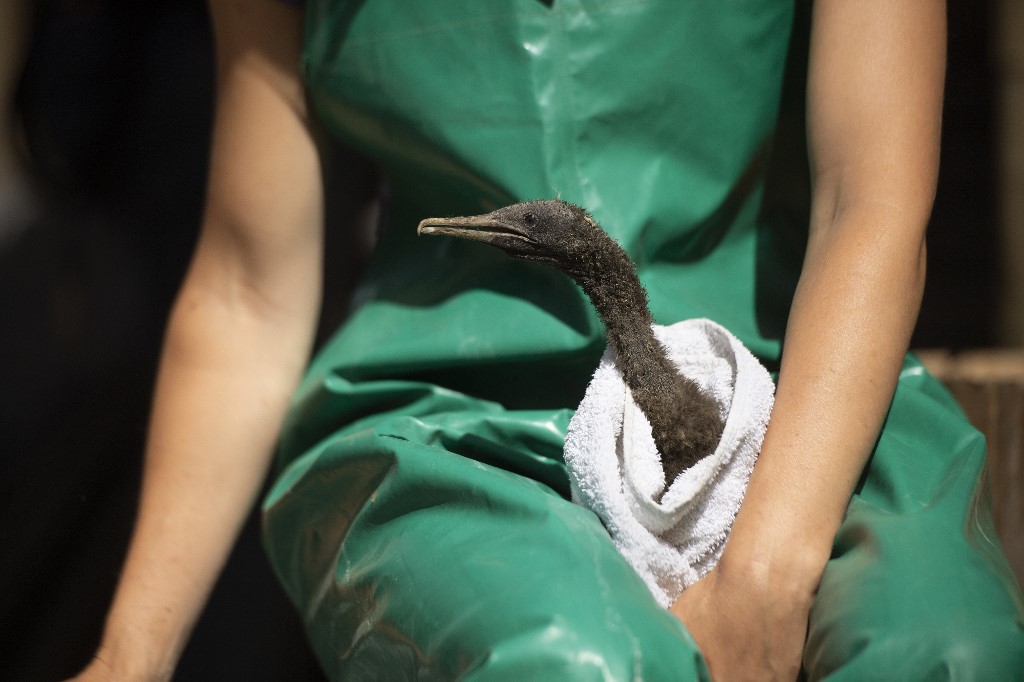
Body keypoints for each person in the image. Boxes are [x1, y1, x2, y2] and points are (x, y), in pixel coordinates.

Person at [74, 0, 1024, 679]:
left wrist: (766, 573)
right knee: (566, 664)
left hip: (794, 388)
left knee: (942, 649)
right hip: (441, 420)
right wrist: (128, 658)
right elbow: (250, 288)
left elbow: (873, 203)